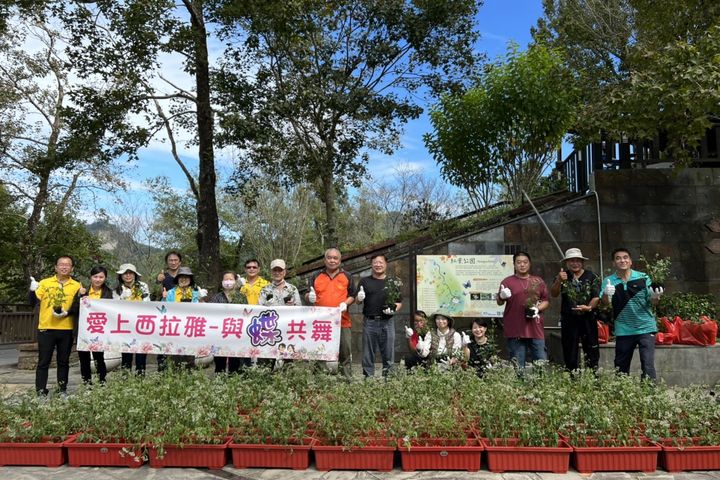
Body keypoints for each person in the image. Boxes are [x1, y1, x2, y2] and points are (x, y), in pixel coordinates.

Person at [602, 248, 663, 380]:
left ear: (630, 261)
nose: (622, 260)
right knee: (621, 366)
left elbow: (653, 301)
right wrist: (607, 293)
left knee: (647, 364)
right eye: (618, 258)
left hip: (645, 327)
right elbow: (606, 303)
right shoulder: (608, 281)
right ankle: (621, 395)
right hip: (624, 329)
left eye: (625, 257)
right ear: (613, 263)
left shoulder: (643, 277)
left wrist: (656, 296)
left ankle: (649, 395)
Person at [28, 255, 82, 396]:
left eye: (67, 264)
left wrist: (68, 312)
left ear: (72, 268)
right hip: (46, 328)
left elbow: (79, 308)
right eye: (61, 264)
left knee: (63, 362)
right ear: (56, 267)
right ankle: (40, 391)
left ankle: (62, 390)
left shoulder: (77, 285)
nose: (64, 267)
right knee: (43, 362)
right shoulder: (45, 283)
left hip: (66, 329)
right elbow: (33, 302)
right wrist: (32, 290)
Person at [306, 248, 356, 378]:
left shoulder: (347, 276)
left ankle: (346, 381)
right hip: (320, 322)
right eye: (329, 257)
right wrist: (309, 296)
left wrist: (346, 303)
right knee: (320, 353)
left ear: (340, 260)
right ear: (325, 260)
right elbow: (307, 294)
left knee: (345, 353)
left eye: (335, 258)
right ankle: (319, 380)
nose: (332, 260)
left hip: (342, 321)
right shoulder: (316, 276)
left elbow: (352, 295)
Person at [550, 248, 601, 372]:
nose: (575, 263)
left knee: (591, 349)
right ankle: (572, 377)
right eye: (571, 261)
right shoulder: (562, 276)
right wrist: (558, 280)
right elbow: (554, 293)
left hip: (588, 318)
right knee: (569, 350)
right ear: (566, 262)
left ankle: (592, 378)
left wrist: (589, 307)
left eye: (578, 261)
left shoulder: (592, 276)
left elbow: (596, 296)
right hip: (569, 319)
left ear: (582, 262)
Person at [496, 251, 550, 369]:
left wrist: (537, 308)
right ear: (514, 265)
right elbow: (499, 302)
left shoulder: (538, 281)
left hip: (535, 328)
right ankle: (519, 387)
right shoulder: (507, 281)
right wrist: (501, 296)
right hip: (515, 328)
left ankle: (540, 385)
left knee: (540, 360)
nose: (522, 265)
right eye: (519, 262)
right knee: (517, 364)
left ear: (529, 264)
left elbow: (546, 301)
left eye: (525, 262)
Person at [356, 254, 403, 378]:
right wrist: (359, 297)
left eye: (380, 262)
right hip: (369, 322)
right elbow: (357, 301)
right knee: (367, 354)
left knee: (388, 353)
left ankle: (389, 380)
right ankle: (368, 380)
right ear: (371, 264)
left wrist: (393, 309)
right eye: (375, 262)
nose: (378, 265)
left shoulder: (393, 282)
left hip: (387, 322)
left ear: (386, 264)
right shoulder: (364, 281)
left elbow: (399, 302)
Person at [69, 265, 112, 384]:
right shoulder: (83, 291)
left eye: (101, 277)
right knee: (84, 359)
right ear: (90, 277)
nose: (98, 279)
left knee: (99, 358)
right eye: (95, 276)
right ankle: (87, 383)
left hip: (99, 330)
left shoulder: (109, 293)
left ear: (105, 278)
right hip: (83, 331)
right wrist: (81, 297)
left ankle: (102, 381)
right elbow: (73, 310)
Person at [162, 266, 206, 368]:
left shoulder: (196, 293)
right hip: (174, 328)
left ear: (190, 279)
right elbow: (163, 310)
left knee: (189, 356)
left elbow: (203, 310)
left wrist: (202, 299)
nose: (184, 279)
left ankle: (189, 378)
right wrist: (164, 299)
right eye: (181, 277)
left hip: (191, 328)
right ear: (177, 279)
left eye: (187, 277)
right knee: (174, 357)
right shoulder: (171, 293)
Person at [208, 270, 250, 374]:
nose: (228, 281)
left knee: (235, 363)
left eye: (230, 279)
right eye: (225, 279)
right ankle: (219, 385)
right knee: (219, 364)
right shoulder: (216, 297)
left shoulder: (241, 297)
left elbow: (246, 314)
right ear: (222, 282)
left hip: (236, 334)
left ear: (236, 281)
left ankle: (233, 385)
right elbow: (209, 314)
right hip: (219, 335)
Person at [114, 263, 151, 374]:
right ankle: (126, 377)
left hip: (141, 324)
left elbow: (147, 302)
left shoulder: (143, 286)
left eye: (130, 273)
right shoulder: (117, 290)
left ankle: (140, 375)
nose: (128, 276)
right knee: (126, 353)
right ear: (121, 276)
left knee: (141, 352)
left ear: (135, 275)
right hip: (125, 326)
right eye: (125, 273)